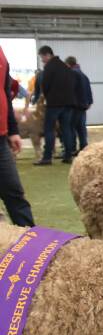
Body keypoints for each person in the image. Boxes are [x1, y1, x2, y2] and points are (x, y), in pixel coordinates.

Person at [0, 45, 35, 226]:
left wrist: (13, 130)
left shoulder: (1, 53)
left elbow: (5, 92)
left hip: (1, 137)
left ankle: (33, 245)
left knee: (14, 193)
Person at [33, 46, 77, 165]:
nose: (42, 60)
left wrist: (47, 97)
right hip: (68, 103)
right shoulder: (65, 66)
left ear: (47, 55)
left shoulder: (49, 67)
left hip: (54, 103)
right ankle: (68, 155)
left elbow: (45, 85)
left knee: (49, 129)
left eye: (42, 57)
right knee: (66, 128)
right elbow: (73, 84)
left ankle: (47, 157)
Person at [65, 56, 93, 153]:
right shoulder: (83, 75)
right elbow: (88, 89)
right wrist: (89, 101)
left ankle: (72, 148)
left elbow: (71, 90)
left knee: (71, 127)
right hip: (83, 105)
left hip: (75, 105)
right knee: (81, 127)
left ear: (68, 64)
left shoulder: (72, 73)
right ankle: (83, 147)